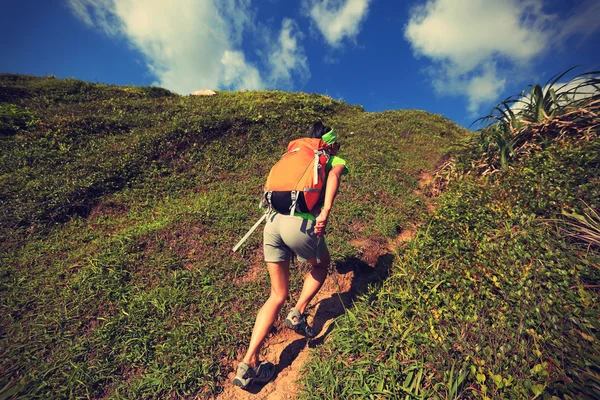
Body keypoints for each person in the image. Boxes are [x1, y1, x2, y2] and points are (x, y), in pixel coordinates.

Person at [233, 122, 349, 390]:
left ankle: (248, 363)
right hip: (300, 224)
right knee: (321, 267)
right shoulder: (330, 157)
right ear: (329, 143)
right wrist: (325, 210)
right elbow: (334, 177)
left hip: (272, 223)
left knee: (276, 294)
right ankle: (297, 313)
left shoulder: (295, 152)